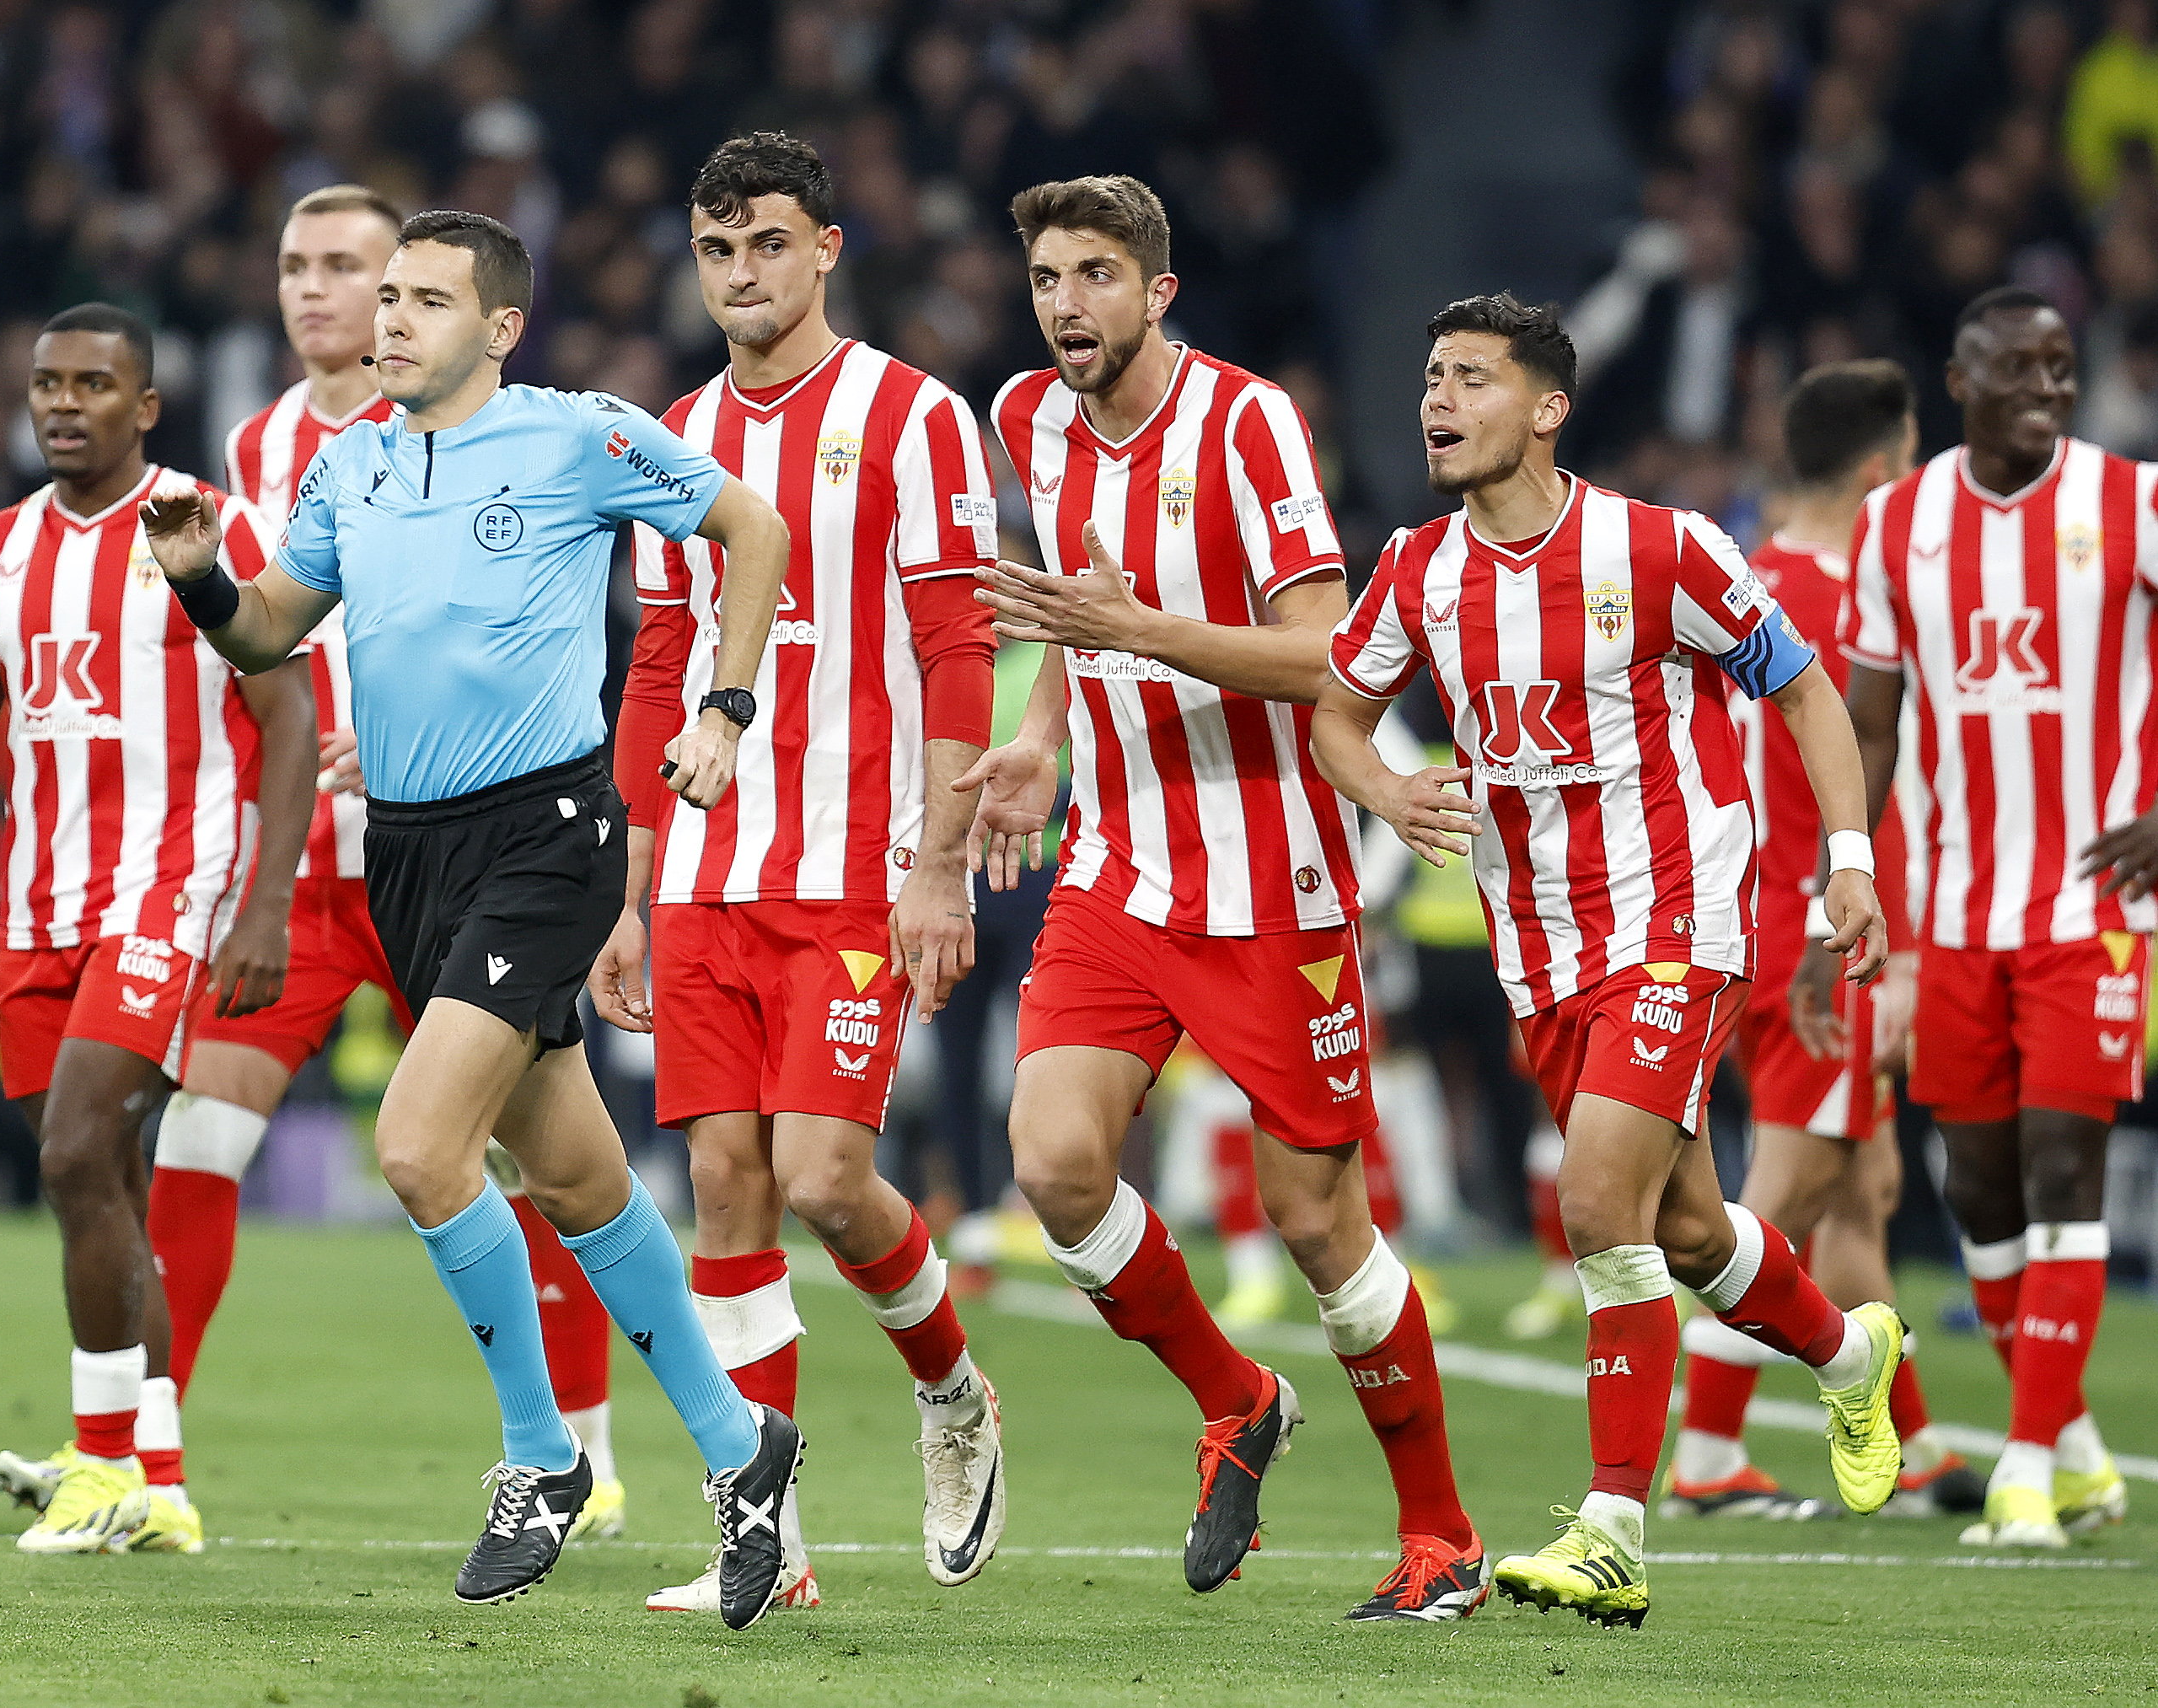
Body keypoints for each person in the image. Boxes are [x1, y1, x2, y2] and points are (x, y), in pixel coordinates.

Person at [141, 209, 806, 1629]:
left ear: (499, 327)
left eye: (423, 300)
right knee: (577, 1181)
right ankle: (745, 1453)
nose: (387, 321)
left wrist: (725, 708)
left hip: (547, 838)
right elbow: (269, 629)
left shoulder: (575, 435)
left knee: (416, 1146)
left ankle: (539, 1453)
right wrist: (200, 571)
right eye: (384, 298)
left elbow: (754, 526)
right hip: (411, 856)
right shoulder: (350, 459)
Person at [1315, 293, 1906, 1630]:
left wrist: (1850, 858)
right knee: (1686, 1227)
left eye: (1467, 377)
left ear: (1545, 406)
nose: (1435, 402)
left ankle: (1613, 1527)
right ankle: (1848, 1348)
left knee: (1595, 1205)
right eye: (1428, 377)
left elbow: (1804, 687)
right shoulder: (1415, 570)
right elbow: (1337, 716)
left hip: (1678, 916)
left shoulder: (1659, 551)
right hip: (1538, 949)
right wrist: (1392, 791)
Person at [961, 174, 1483, 1623]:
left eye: (1094, 277)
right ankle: (1234, 1395)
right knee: (1055, 1163)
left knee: (1318, 1227)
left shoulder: (1245, 423)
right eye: (1047, 278)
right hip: (1117, 867)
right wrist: (1041, 735)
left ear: (1157, 292)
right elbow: (1081, 600)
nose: (1066, 304)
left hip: (1276, 878)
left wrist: (1145, 631)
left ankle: (1439, 1535)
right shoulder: (1027, 417)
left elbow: (1330, 656)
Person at [100, 185, 625, 1550]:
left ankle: (593, 1446)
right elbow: (261, 641)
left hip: (470, 846)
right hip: (320, 870)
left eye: (353, 267)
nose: (319, 292)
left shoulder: (497, 437)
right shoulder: (261, 441)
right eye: (296, 266)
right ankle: (149, 1459)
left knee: (531, 1156)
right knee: (201, 1133)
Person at [587, 132, 1005, 1614]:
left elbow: (962, 648)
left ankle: (952, 1391)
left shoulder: (917, 418)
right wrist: (629, 891)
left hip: (856, 858)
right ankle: (767, 1543)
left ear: (826, 246)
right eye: (715, 250)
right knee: (723, 1187)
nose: (740, 273)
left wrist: (940, 863)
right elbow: (659, 657)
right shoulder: (674, 433)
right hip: (706, 865)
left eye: (766, 241)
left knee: (829, 1179)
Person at [0, 303, 319, 1556]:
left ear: (143, 405)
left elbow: (289, 715)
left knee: (71, 1149)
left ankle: (101, 1463)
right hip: (42, 899)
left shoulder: (205, 526)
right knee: (103, 1183)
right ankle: (156, 1478)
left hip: (171, 885)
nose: (62, 403)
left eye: (94, 384)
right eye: (47, 383)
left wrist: (267, 897)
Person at [1819, 287, 2143, 1549]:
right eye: (2021, 369)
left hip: (2093, 903)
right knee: (1979, 1186)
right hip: (1953, 906)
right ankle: (2066, 1440)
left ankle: (2020, 1463)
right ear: (1959, 381)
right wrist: (1846, 873)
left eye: (2064, 368)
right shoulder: (1897, 525)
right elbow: (1872, 721)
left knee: (2065, 1163)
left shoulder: (2131, 500)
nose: (2050, 391)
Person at [1669, 359, 1983, 1522]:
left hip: (1736, 916)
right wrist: (1887, 949)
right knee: (1785, 1188)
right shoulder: (1853, 598)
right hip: (1823, 934)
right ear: (1878, 467)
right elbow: (1876, 792)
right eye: (1905, 459)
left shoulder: (1737, 578)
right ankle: (1704, 1456)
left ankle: (1918, 1449)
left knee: (1863, 1188)